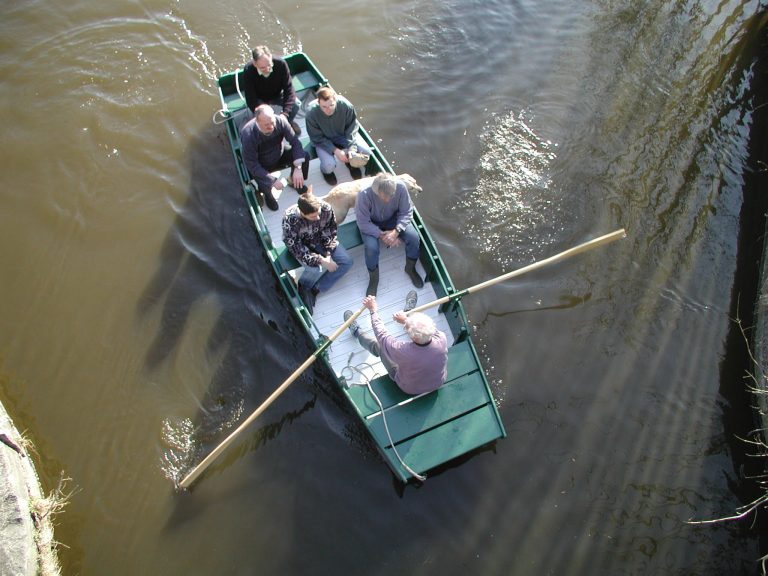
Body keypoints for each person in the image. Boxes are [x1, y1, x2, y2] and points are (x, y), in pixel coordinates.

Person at [343, 294, 448, 395]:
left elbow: (381, 335)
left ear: (414, 337)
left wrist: (372, 309)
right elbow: (430, 331)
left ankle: (357, 332)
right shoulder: (441, 338)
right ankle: (408, 312)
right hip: (437, 383)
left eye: (406, 327)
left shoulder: (403, 351)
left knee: (381, 346)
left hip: (409, 388)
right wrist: (406, 320)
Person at [282, 190, 353, 314]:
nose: (318, 218)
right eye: (313, 217)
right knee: (315, 268)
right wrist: (321, 260)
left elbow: (331, 230)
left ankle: (315, 289)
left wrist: (329, 254)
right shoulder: (290, 220)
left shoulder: (325, 208)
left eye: (318, 214)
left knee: (346, 262)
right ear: (303, 213)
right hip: (301, 245)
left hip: (321, 240)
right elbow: (297, 248)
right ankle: (304, 286)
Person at [355, 173, 423, 295]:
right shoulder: (363, 194)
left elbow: (407, 211)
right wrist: (383, 235)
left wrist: (396, 231)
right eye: (384, 196)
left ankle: (410, 268)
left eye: (391, 196)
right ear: (376, 191)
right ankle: (374, 279)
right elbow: (363, 222)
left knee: (414, 237)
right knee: (371, 248)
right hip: (371, 224)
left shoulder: (401, 187)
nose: (388, 200)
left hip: (393, 220)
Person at [240, 104, 310, 211]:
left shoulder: (280, 121)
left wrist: (298, 167)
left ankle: (294, 181)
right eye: (266, 124)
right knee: (263, 181)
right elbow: (252, 164)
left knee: (304, 155)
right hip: (261, 164)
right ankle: (268, 195)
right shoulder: (248, 134)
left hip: (279, 154)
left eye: (272, 122)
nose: (271, 126)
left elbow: (295, 142)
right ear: (257, 122)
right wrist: (272, 180)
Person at [305, 86, 371, 185]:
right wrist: (336, 151)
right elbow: (316, 138)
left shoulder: (346, 106)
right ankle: (326, 173)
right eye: (324, 107)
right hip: (323, 140)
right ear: (318, 103)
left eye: (331, 105)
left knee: (366, 151)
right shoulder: (311, 114)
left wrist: (352, 148)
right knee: (328, 165)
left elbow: (352, 128)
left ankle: (351, 164)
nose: (328, 110)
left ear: (335, 100)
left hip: (343, 135)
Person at [242, 45, 300, 134]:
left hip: (277, 94)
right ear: (254, 63)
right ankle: (262, 130)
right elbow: (250, 98)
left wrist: (285, 114)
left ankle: (287, 123)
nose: (267, 69)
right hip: (259, 99)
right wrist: (264, 113)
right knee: (257, 117)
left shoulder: (281, 64)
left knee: (296, 104)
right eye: (262, 68)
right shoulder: (248, 70)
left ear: (271, 58)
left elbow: (289, 90)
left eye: (269, 65)